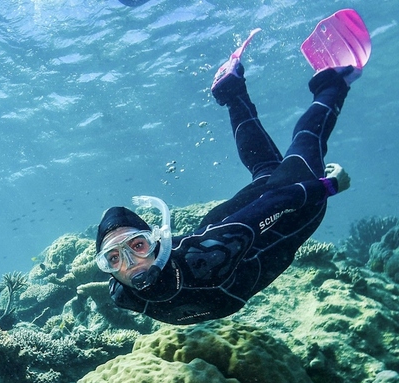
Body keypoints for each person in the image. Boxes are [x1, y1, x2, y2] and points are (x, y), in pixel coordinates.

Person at [95, 11, 368, 325]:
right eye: (113, 258)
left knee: (303, 155)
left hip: (286, 218)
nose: (130, 264)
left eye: (138, 245)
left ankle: (332, 81)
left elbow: (273, 204)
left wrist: (327, 187)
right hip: (221, 232)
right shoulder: (122, 295)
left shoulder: (210, 257)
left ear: (157, 239)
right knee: (266, 169)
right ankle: (231, 90)